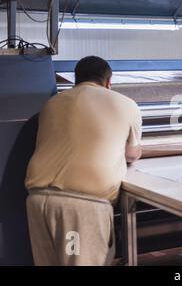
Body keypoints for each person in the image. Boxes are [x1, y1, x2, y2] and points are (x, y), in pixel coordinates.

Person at [25, 56, 142, 265]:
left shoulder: (52, 103)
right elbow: (131, 154)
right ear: (109, 82)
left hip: (37, 202)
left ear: (75, 80)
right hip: (81, 208)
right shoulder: (126, 104)